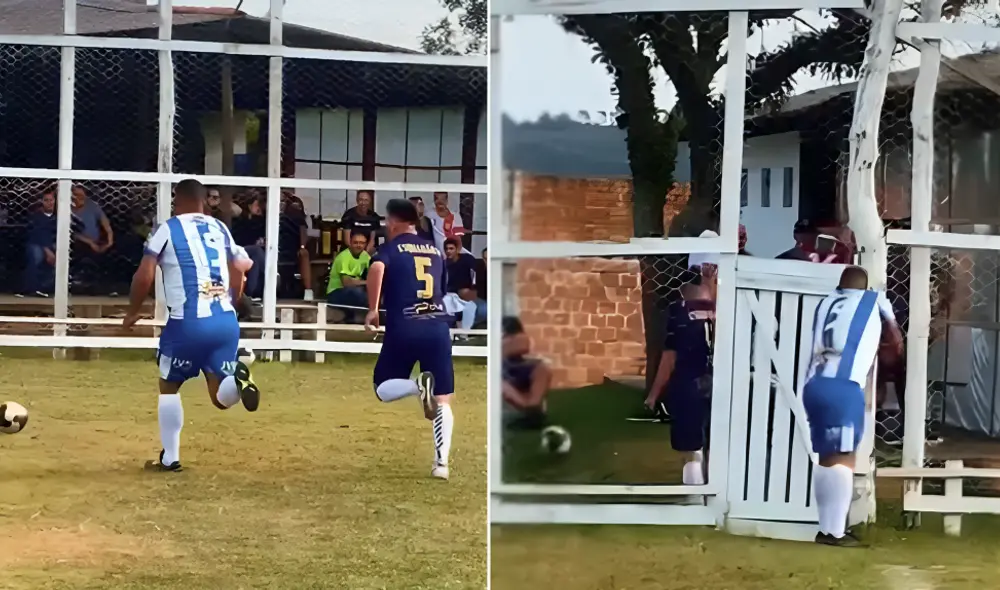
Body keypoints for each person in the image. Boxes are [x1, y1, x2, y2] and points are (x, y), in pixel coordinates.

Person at [122, 178, 261, 472]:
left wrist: (133, 311)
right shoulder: (219, 228)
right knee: (220, 398)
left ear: (177, 199)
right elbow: (239, 269)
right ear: (203, 200)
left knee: (169, 386)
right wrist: (232, 301)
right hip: (225, 321)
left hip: (187, 323)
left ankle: (170, 457)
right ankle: (238, 380)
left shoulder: (167, 229)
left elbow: (144, 275)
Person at [804, 266, 902, 547]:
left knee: (826, 457)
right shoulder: (874, 300)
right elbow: (895, 341)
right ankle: (835, 533)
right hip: (843, 386)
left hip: (815, 384)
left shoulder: (826, 301)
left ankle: (825, 528)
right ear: (865, 286)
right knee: (844, 458)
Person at [364, 198, 454, 481]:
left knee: (382, 387)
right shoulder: (435, 250)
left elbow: (377, 269)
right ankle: (441, 464)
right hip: (437, 326)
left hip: (405, 325)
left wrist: (373, 309)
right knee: (443, 400)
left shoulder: (390, 248)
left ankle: (417, 386)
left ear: (394, 222)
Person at [644, 268, 715, 485]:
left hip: (688, 381)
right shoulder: (732, 308)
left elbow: (670, 357)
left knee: (691, 448)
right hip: (721, 382)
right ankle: (713, 493)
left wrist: (654, 394)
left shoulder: (680, 311)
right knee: (716, 445)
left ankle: (694, 495)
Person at [502, 316, 551, 430]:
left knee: (542, 369)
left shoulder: (517, 336)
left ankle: (533, 406)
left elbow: (523, 343)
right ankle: (530, 411)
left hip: (515, 370)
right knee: (498, 383)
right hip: (501, 375)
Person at [19, 189, 57, 297]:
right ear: (41, 202)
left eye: (52, 200)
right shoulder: (36, 216)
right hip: (37, 245)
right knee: (36, 255)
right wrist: (47, 250)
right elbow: (36, 235)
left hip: (53, 245)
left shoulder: (59, 217)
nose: (50, 203)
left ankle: (49, 288)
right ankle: (31, 288)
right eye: (46, 200)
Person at [326, 232, 371, 323]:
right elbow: (347, 283)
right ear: (350, 243)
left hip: (355, 290)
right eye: (356, 242)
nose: (359, 245)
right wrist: (368, 282)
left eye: (362, 243)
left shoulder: (365, 256)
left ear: (366, 244)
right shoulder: (343, 257)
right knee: (356, 292)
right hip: (336, 293)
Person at [442, 237, 478, 337]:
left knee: (471, 307)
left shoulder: (467, 259)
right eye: (446, 249)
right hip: (450, 294)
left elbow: (475, 275)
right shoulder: (444, 264)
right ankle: (450, 334)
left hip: (467, 294)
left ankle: (464, 334)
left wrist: (472, 290)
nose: (448, 251)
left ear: (457, 249)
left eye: (451, 248)